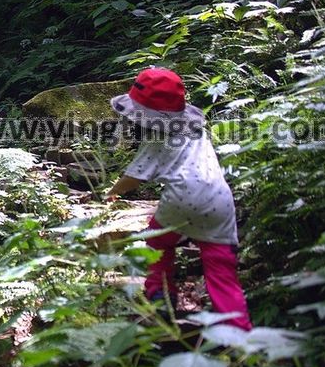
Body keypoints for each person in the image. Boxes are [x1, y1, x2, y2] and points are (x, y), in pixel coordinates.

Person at [106, 67, 252, 331]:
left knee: (156, 241)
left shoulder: (157, 141)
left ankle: (160, 296)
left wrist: (112, 191)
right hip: (219, 200)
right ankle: (237, 331)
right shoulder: (197, 130)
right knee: (221, 267)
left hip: (180, 199)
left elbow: (134, 178)